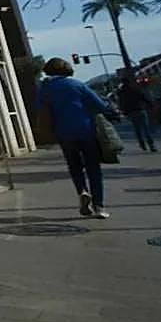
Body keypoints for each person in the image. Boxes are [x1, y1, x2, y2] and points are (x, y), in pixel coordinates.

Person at [37, 57, 115, 219]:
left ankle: (82, 191)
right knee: (93, 168)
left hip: (63, 133)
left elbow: (40, 109)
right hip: (86, 131)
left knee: (74, 166)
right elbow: (100, 105)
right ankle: (99, 206)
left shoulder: (45, 89)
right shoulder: (77, 85)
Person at [117, 74, 158, 152]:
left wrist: (124, 112)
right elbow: (142, 97)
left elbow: (122, 103)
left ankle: (142, 144)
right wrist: (150, 104)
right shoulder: (135, 89)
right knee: (146, 128)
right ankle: (151, 145)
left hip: (132, 112)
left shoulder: (121, 93)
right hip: (140, 110)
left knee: (137, 129)